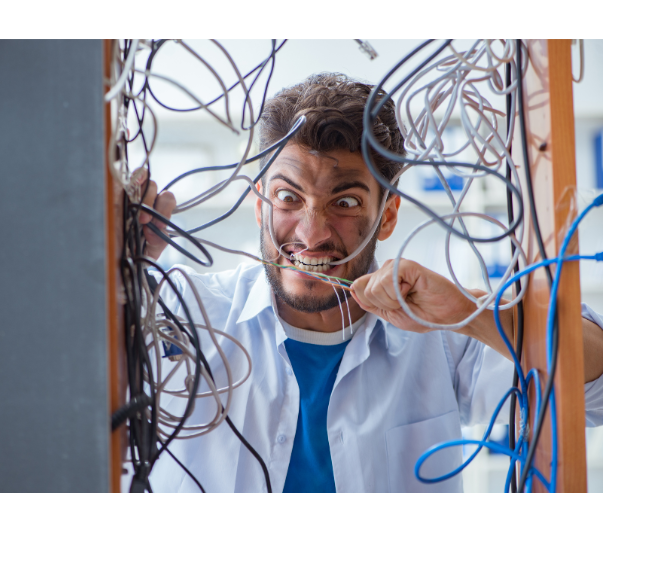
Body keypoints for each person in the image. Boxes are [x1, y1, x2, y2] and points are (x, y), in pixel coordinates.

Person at [130, 73, 603, 493]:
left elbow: (604, 385)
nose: (311, 233)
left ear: (388, 214)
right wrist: (107, 279)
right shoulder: (181, 313)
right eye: (288, 197)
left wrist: (467, 313)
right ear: (260, 205)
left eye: (347, 203)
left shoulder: (440, 333)